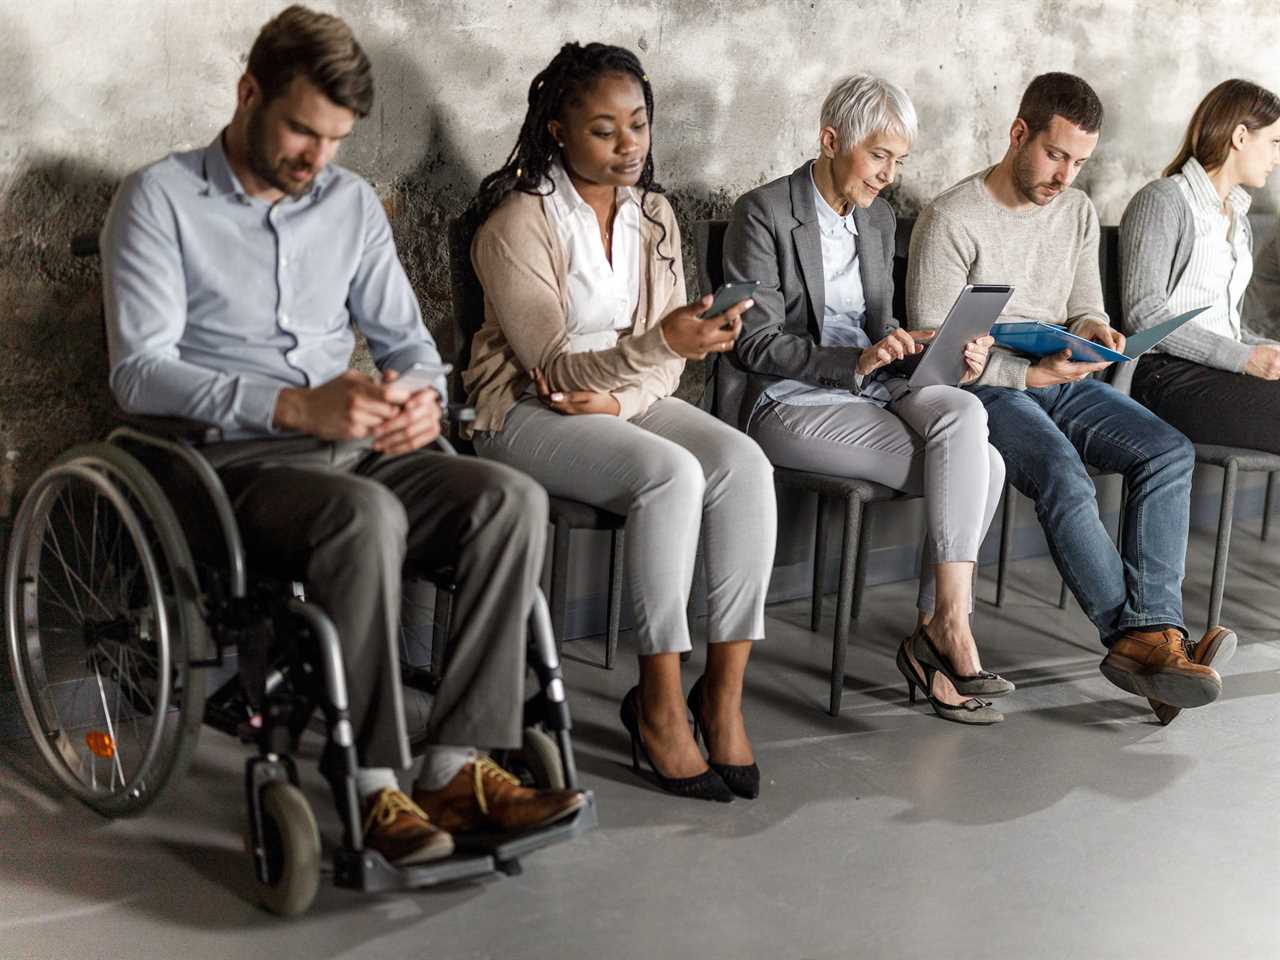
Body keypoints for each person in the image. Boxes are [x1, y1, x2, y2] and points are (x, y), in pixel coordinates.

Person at [101, 5, 584, 865]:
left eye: (334, 140)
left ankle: (452, 763)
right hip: (223, 466)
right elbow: (139, 373)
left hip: (359, 453)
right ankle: (371, 785)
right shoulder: (160, 199)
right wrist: (291, 407)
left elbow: (409, 348)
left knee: (509, 498)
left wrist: (421, 401)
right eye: (299, 132)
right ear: (248, 93)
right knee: (364, 517)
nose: (315, 159)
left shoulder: (349, 202)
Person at [464, 42, 776, 801]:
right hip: (524, 413)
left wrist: (627, 396)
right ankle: (661, 705)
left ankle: (722, 698)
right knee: (668, 473)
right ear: (558, 133)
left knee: (743, 465)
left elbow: (669, 365)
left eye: (637, 124)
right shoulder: (516, 225)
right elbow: (554, 369)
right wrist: (655, 349)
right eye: (604, 130)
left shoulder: (656, 216)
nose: (628, 143)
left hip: (621, 402)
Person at [907, 72, 1235, 721]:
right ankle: (1144, 646)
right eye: (1056, 155)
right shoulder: (951, 217)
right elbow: (933, 357)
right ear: (1019, 133)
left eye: (1079, 161)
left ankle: (1155, 632)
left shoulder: (1077, 210)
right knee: (1063, 473)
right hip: (987, 391)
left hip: (1060, 374)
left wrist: (1094, 332)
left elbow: (1084, 305)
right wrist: (1022, 376)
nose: (1066, 174)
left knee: (1167, 451)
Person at [716, 74, 1009, 724]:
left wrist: (936, 349)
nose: (888, 175)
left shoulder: (877, 220)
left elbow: (881, 327)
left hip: (875, 389)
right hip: (791, 401)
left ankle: (945, 623)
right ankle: (940, 638)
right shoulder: (762, 212)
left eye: (898, 161)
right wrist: (855, 361)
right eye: (879, 156)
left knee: (966, 412)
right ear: (830, 140)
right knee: (981, 467)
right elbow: (754, 344)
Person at [1122, 78, 1280, 456]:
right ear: (1240, 136)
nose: (1278, 156)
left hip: (1221, 375)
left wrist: (1265, 349)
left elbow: (1226, 325)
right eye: (1274, 142)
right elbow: (1144, 317)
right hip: (1164, 376)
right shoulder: (1164, 200)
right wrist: (1244, 358)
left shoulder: (1237, 218)